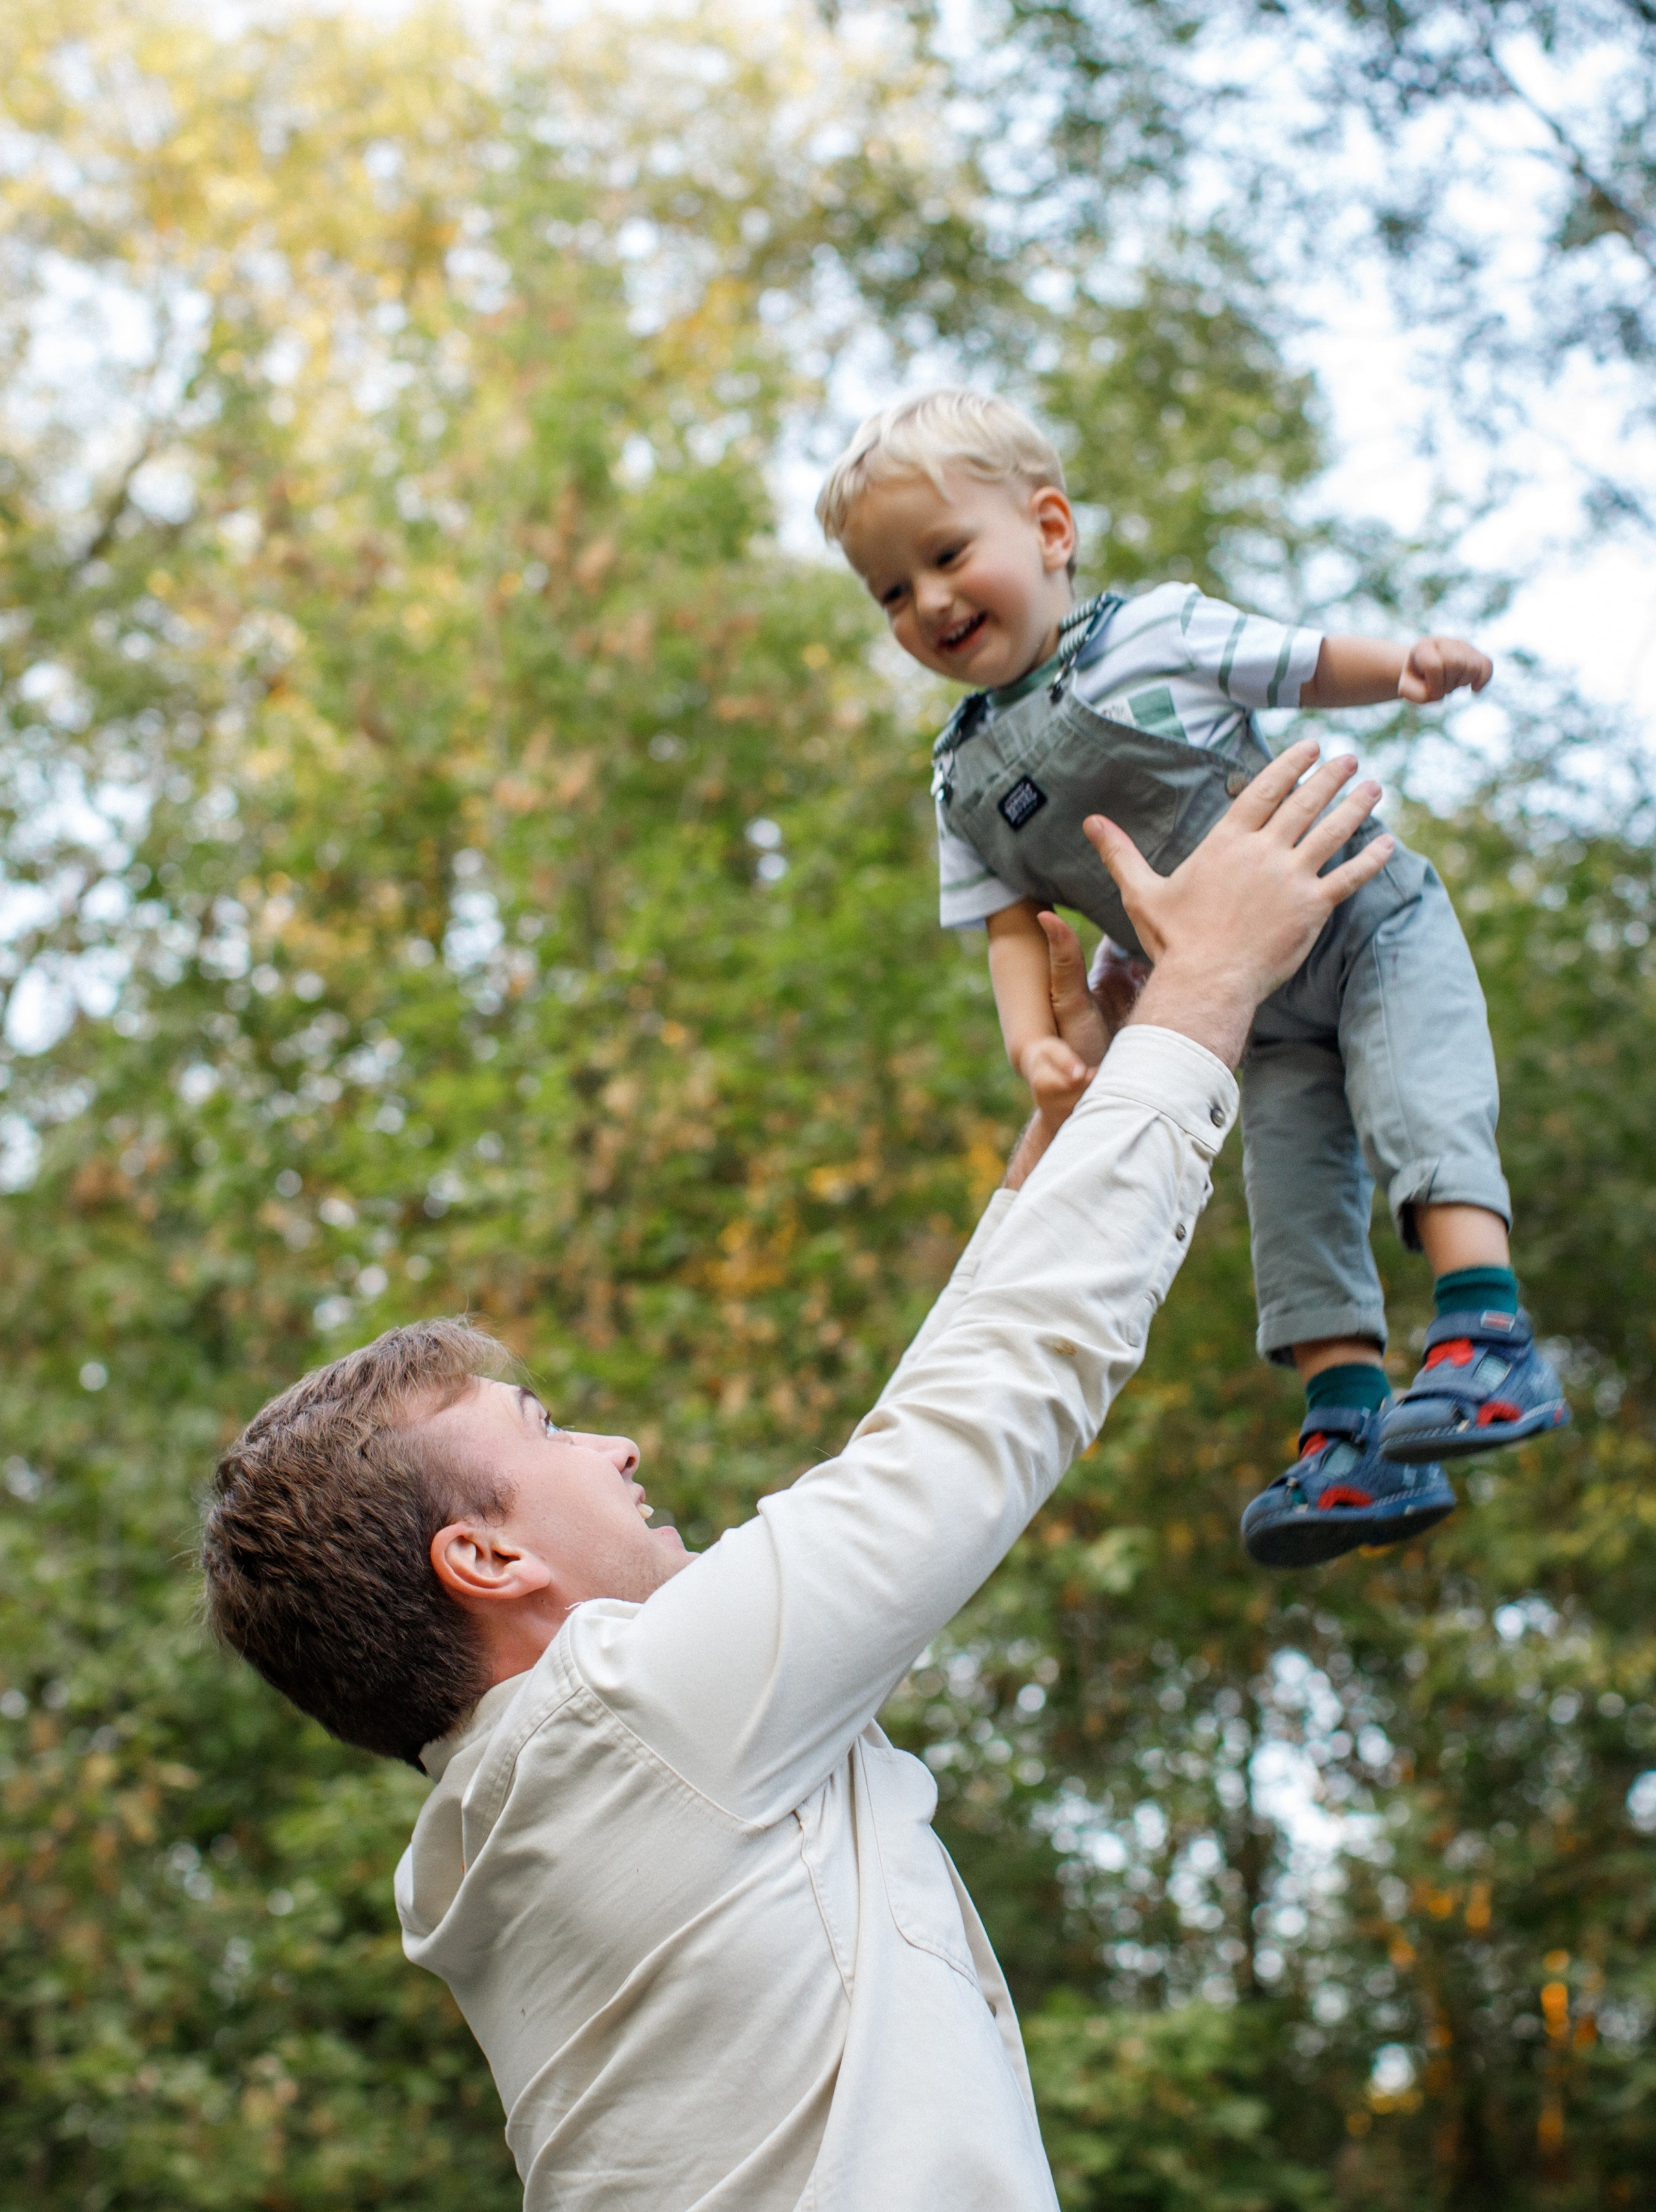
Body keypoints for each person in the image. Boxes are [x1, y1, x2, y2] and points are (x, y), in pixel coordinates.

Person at [204, 745, 1388, 2211]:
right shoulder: (628, 1725)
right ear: (488, 1560)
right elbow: (976, 1419)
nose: (616, 1445)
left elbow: (917, 1424)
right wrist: (1208, 991)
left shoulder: (560, 1797)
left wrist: (1071, 1121)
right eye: (546, 1426)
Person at [814, 388, 1569, 1568]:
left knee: (1420, 1110)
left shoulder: (1150, 635)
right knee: (1294, 1202)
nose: (932, 603)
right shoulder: (961, 782)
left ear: (1050, 529)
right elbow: (1015, 926)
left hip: (1364, 920)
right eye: (893, 592)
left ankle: (1486, 1332)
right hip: (1250, 1016)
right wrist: (1036, 1047)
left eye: (949, 556)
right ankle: (1351, 1436)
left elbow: (1302, 664)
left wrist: (1406, 666)